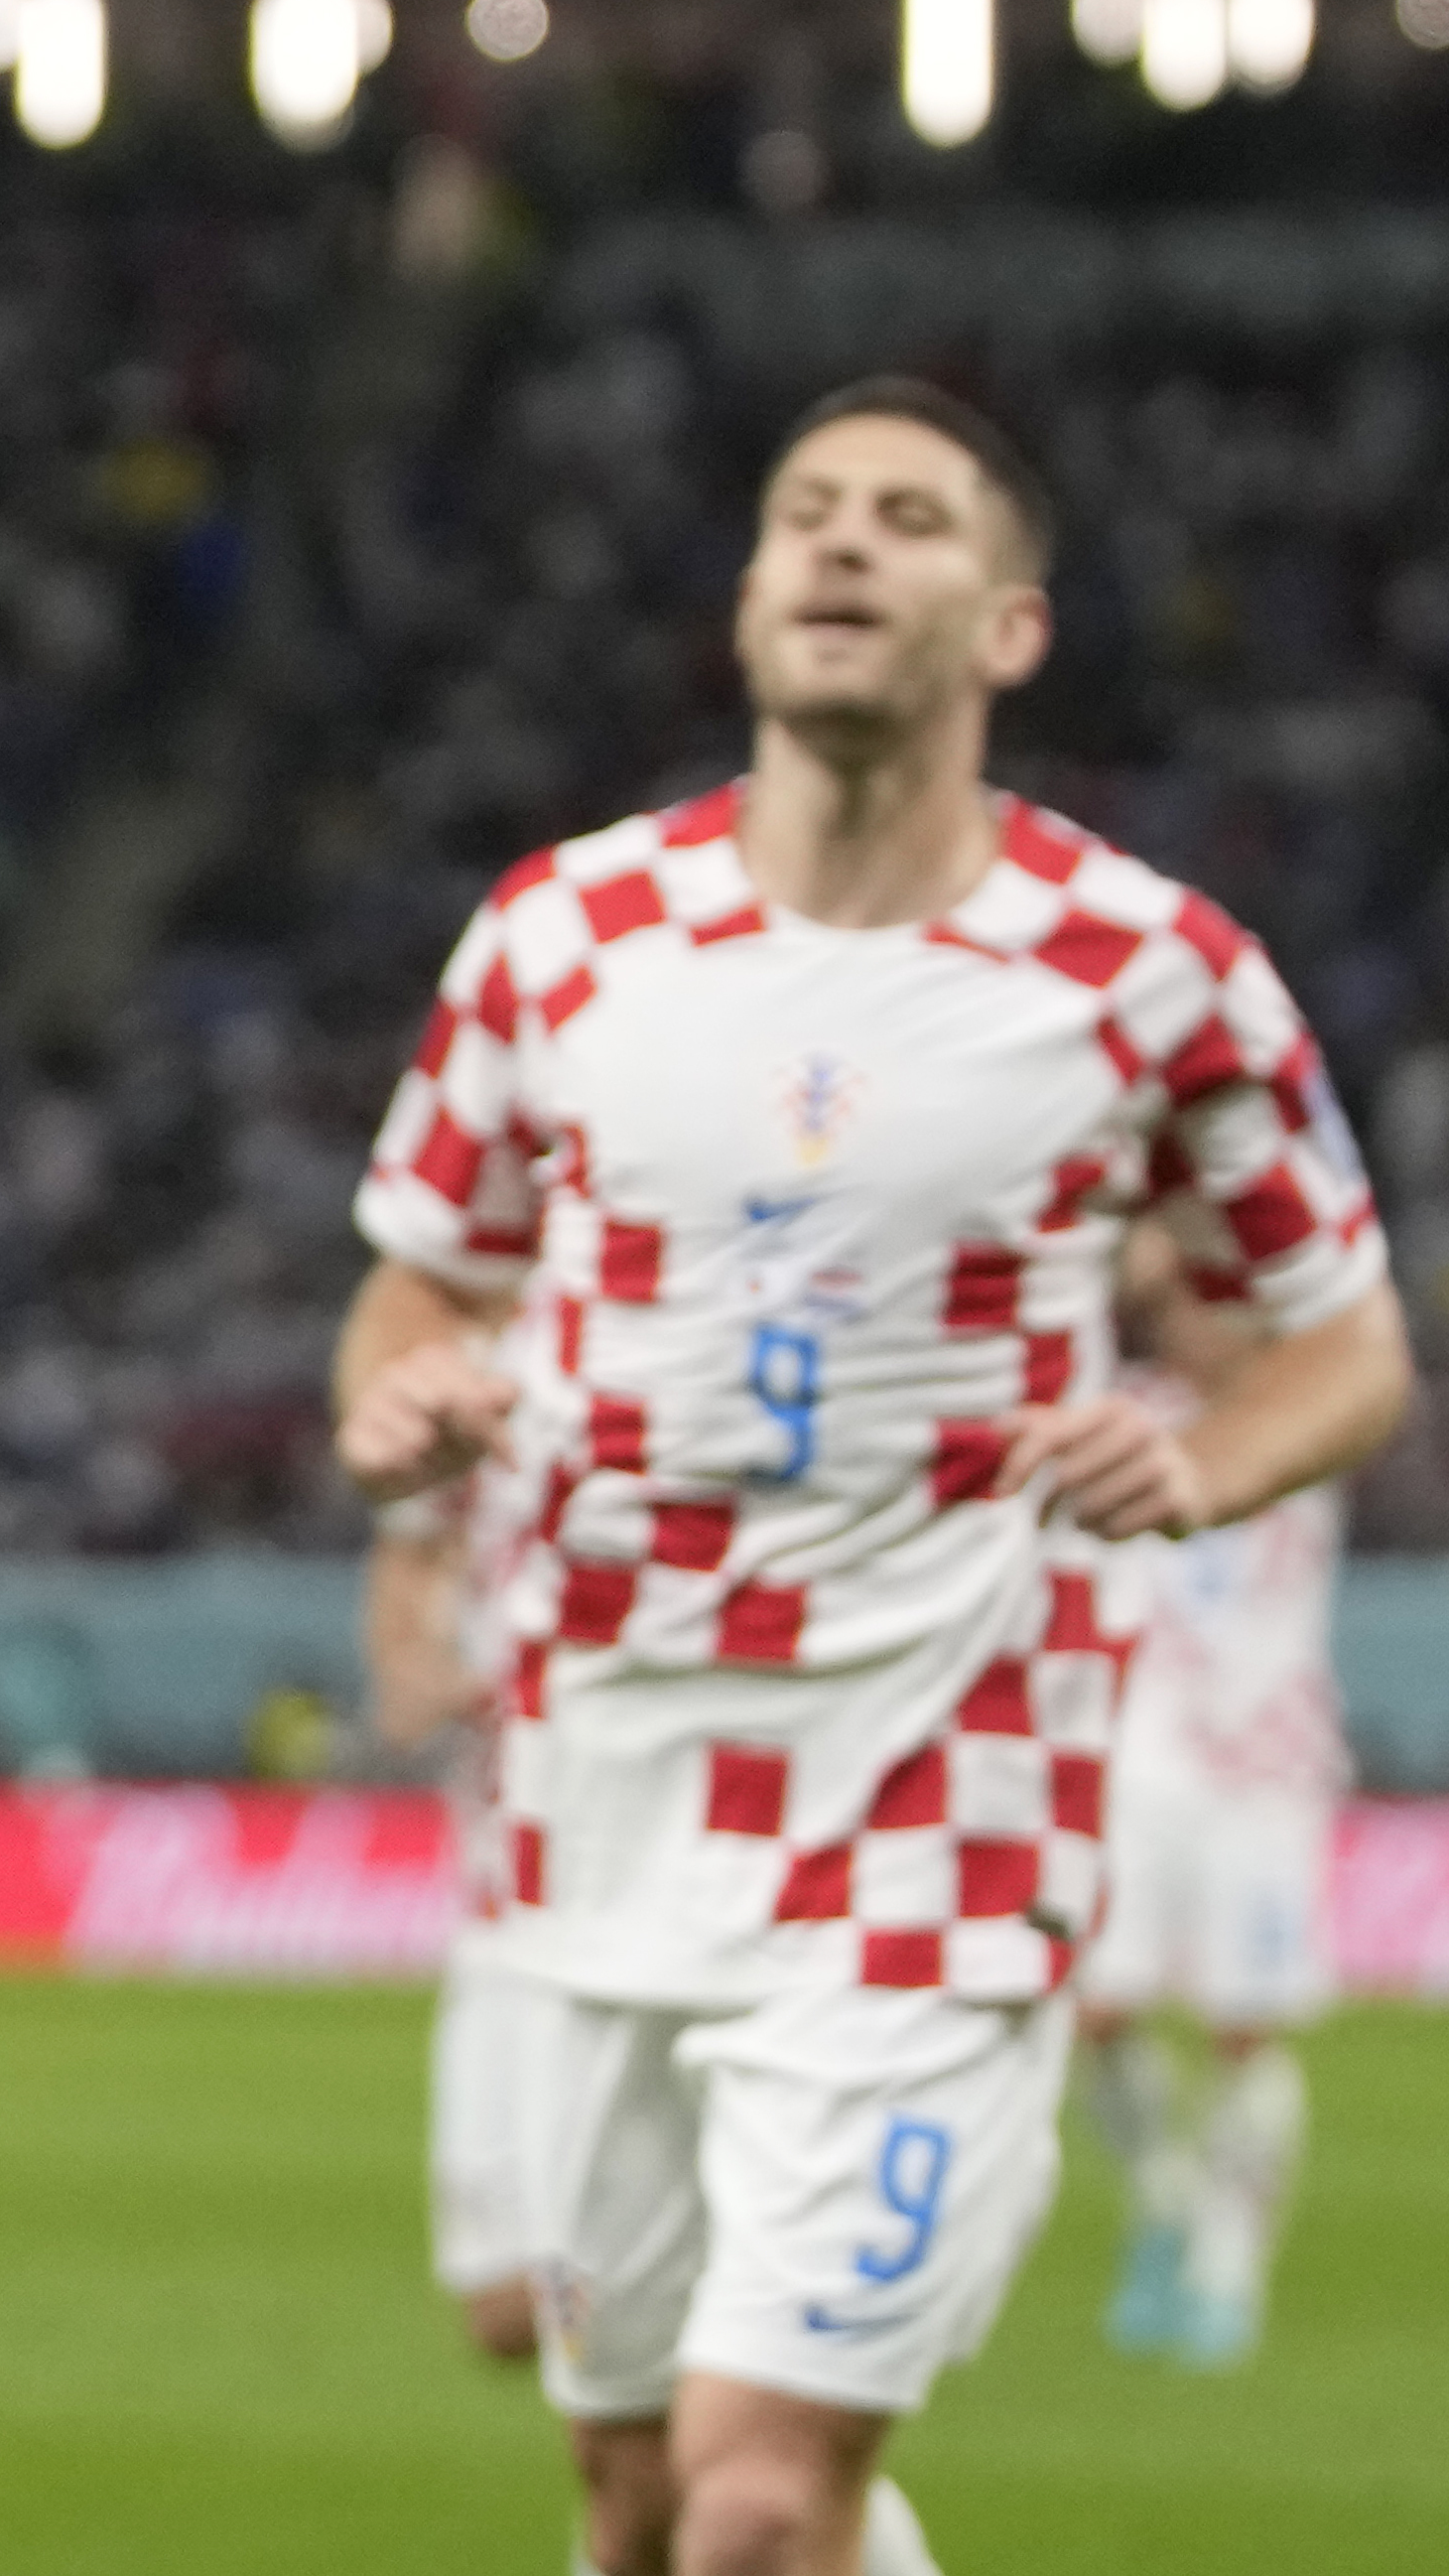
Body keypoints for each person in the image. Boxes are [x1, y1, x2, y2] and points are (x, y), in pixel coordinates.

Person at [331, 378, 1411, 2576]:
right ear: (744, 597)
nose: (839, 545)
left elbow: (1345, 1349)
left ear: (1006, 626)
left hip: (936, 1797)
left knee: (751, 2486)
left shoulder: (1149, 971)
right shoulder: (561, 937)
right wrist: (399, 1415)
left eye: (905, 519)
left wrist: (1196, 1462)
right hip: (596, 1793)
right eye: (802, 513)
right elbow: (410, 1292)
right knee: (635, 2495)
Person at [1079, 1233, 1354, 2370]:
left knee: (1245, 2024)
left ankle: (1229, 2256)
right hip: (1137, 1760)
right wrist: (1127, 1255)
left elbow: (1351, 1335)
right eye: (1190, 1300)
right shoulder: (1121, 1413)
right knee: (1100, 2011)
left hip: (1264, 1769)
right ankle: (1164, 2193)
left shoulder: (1305, 1413)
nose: (1207, 1323)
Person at [361, 1429, 548, 2367]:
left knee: (666, 2322)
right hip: (501, 1906)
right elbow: (399, 1682)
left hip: (662, 1902)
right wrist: (422, 1669)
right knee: (506, 2311)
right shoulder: (469, 1407)